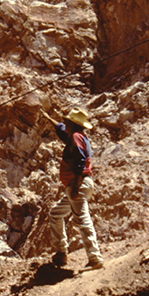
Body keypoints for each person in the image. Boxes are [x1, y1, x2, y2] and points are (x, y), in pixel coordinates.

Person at [41, 107, 104, 269]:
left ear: (73, 124)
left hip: (78, 183)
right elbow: (61, 131)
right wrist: (48, 117)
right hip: (79, 184)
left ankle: (95, 258)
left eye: (67, 121)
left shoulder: (76, 137)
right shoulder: (77, 136)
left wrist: (76, 185)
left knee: (82, 219)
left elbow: (80, 161)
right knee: (55, 214)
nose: (65, 123)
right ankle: (61, 254)